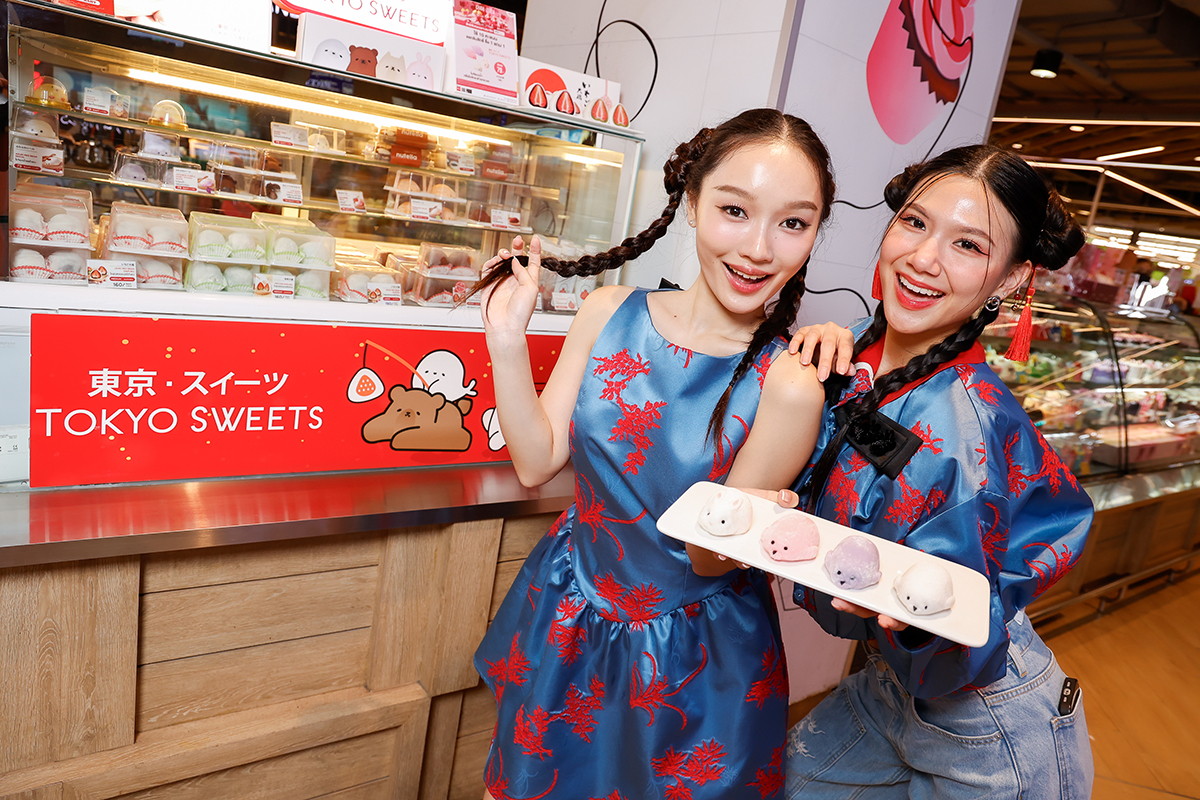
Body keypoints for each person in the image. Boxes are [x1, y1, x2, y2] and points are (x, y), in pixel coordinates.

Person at [472, 108, 834, 799]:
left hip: (692, 657)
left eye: (793, 223)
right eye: (734, 210)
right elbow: (536, 461)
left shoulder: (789, 384)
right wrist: (506, 341)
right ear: (692, 204)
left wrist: (755, 523)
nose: (759, 249)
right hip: (572, 608)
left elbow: (706, 559)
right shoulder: (609, 311)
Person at [782, 144, 1095, 799]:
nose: (924, 258)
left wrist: (926, 618)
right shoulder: (862, 356)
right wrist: (819, 367)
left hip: (987, 714)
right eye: (915, 223)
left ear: (1011, 280)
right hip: (893, 685)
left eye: (968, 245)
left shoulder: (966, 425)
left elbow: (954, 642)